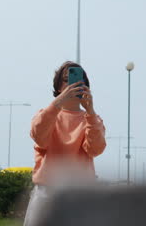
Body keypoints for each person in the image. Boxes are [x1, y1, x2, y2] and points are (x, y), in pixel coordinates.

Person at [24, 61, 106, 226]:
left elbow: (95, 149)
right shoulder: (46, 115)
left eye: (76, 79)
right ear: (58, 86)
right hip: (47, 191)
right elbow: (38, 135)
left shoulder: (93, 120)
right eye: (66, 80)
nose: (71, 83)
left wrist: (90, 112)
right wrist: (57, 104)